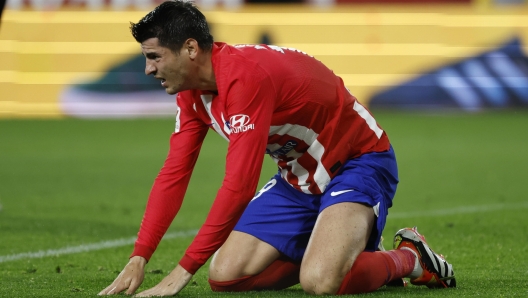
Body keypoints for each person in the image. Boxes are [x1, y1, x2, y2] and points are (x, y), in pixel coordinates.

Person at [98, 1, 456, 296]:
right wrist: (140, 256)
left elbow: (239, 187)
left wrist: (182, 271)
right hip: (298, 177)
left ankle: (408, 258)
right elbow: (174, 173)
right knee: (226, 276)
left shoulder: (245, 79)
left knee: (320, 281)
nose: (148, 69)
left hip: (357, 162)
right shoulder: (193, 94)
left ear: (190, 48)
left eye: (155, 57)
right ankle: (338, 252)